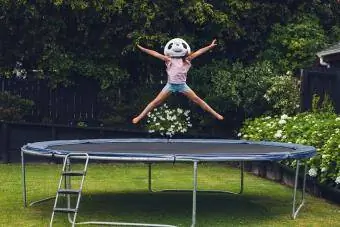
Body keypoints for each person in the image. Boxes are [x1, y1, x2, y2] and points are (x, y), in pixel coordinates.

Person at [132, 38, 224, 124]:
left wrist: (209, 46)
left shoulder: (187, 59)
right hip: (170, 85)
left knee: (198, 100)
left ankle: (216, 114)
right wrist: (142, 49)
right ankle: (140, 117)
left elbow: (199, 52)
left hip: (182, 85)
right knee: (156, 102)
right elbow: (154, 53)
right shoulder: (168, 59)